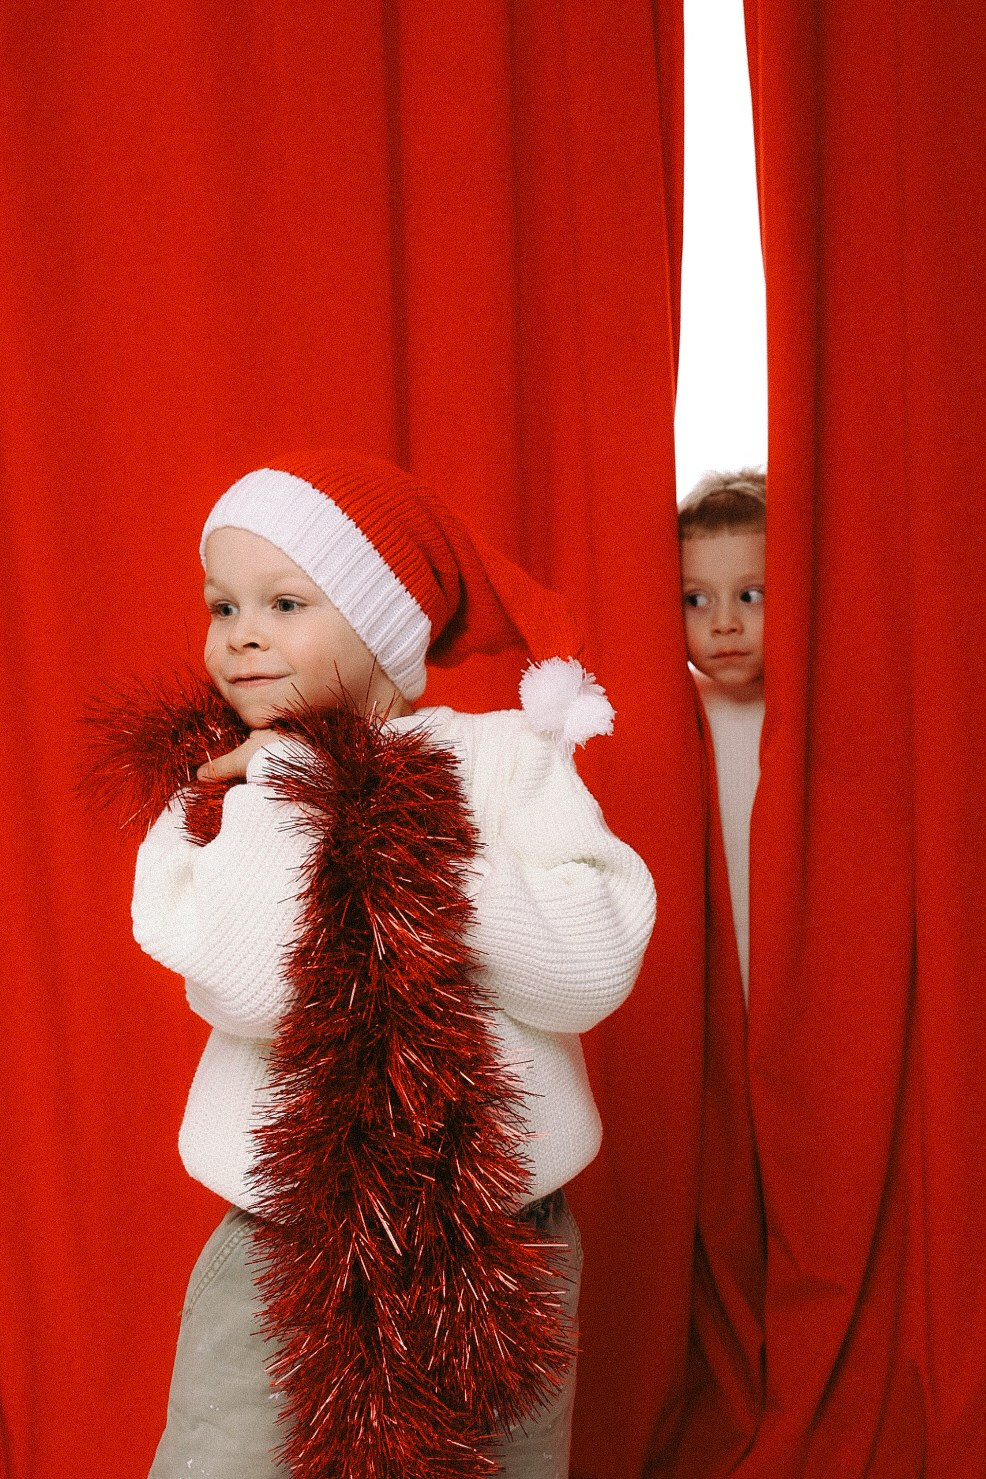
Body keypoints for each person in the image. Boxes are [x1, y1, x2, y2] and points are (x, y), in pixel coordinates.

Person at [129, 451, 656, 1479]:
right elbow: (250, 985)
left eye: (284, 601)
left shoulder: (507, 761)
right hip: (285, 1235)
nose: (240, 633)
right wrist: (297, 784)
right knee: (229, 1453)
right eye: (220, 604)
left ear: (382, 627)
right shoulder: (221, 789)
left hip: (504, 1235)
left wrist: (407, 841)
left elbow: (590, 967)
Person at [678, 468, 765, 1000]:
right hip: (709, 967)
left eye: (751, 595)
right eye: (697, 600)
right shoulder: (673, 708)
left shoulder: (821, 712)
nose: (725, 623)